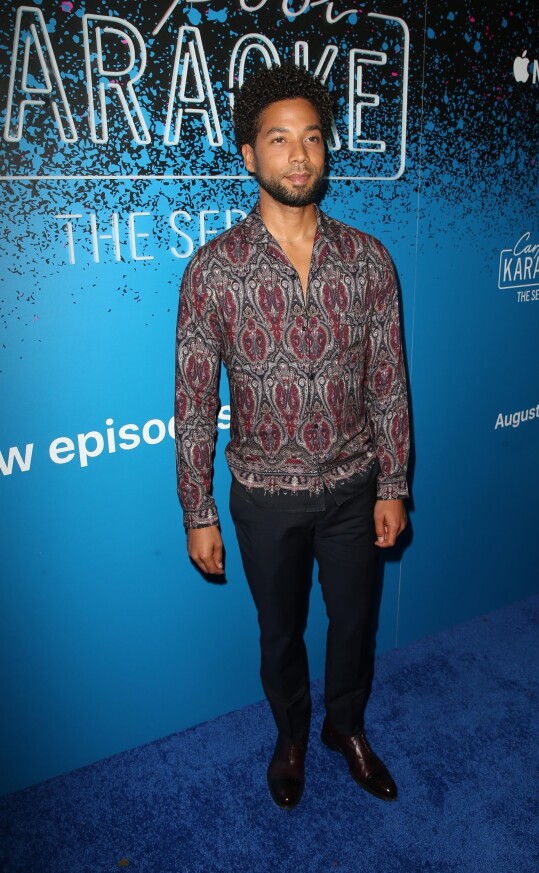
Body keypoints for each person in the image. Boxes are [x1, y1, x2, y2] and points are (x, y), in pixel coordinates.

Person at [175, 65, 410, 809]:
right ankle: (290, 735)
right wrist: (197, 509)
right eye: (280, 140)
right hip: (264, 497)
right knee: (279, 634)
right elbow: (190, 401)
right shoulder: (212, 271)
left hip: (353, 487)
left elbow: (389, 383)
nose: (300, 155)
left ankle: (347, 727)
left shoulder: (370, 260)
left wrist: (394, 484)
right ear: (251, 155)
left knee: (354, 622)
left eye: (312, 138)